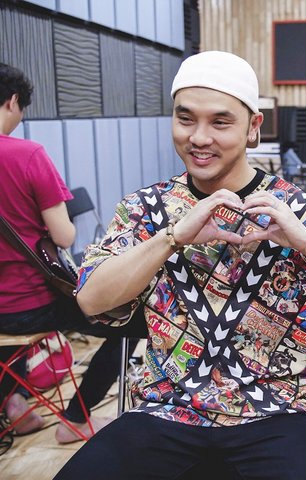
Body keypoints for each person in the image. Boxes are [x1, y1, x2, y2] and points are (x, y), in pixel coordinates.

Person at [55, 50, 306, 480]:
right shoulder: (146, 209)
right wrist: (172, 238)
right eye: (185, 119)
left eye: (220, 122)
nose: (199, 137)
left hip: (279, 413)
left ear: (253, 128)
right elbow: (91, 300)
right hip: (166, 409)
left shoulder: (296, 209)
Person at [0, 63, 139, 443]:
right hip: (29, 305)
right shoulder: (27, 155)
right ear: (13, 101)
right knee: (130, 322)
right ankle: (75, 419)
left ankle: (15, 406)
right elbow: (64, 237)